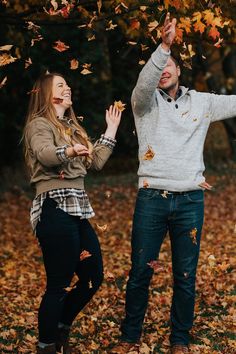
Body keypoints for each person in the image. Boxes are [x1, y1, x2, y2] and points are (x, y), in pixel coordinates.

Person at [111, 12, 236, 354]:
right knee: (140, 272)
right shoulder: (144, 104)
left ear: (180, 70)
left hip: (190, 201)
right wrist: (164, 46)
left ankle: (179, 339)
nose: (165, 68)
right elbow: (141, 85)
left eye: (171, 64)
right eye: (161, 63)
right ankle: (130, 336)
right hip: (152, 198)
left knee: (185, 276)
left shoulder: (203, 103)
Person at [23, 72, 122, 354]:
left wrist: (111, 129)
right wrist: (68, 151)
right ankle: (47, 346)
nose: (68, 88)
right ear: (46, 94)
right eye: (61, 85)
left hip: (76, 209)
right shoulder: (38, 125)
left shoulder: (72, 127)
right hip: (53, 207)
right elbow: (45, 154)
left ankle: (61, 328)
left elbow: (97, 161)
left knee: (93, 275)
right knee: (59, 284)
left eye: (67, 84)